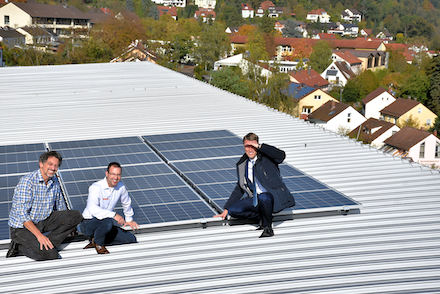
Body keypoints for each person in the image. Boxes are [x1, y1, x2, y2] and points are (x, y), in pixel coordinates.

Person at [214, 133, 295, 238]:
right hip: (255, 200)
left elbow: (281, 156)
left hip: (272, 197)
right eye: (247, 146)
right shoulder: (243, 163)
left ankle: (267, 227)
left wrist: (261, 147)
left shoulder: (267, 158)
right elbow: (240, 187)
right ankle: (261, 216)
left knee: (264, 197)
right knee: (234, 210)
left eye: (253, 146)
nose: (250, 149)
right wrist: (226, 208)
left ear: (257, 145)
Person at [7, 151, 83, 261]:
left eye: (56, 165)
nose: (53, 168)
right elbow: (22, 215)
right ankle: (19, 247)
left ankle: (46, 244)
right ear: (41, 164)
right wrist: (40, 236)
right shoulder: (27, 182)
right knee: (50, 255)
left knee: (76, 215)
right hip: (22, 228)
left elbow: (60, 205)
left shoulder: (54, 180)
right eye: (50, 164)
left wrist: (70, 226)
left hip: (43, 221)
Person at [80, 162, 138, 254]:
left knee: (130, 239)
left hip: (104, 225)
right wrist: (114, 215)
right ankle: (99, 244)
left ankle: (95, 240)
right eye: (113, 174)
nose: (116, 178)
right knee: (108, 221)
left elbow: (126, 202)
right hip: (88, 223)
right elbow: (92, 208)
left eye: (118, 175)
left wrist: (129, 219)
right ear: (107, 174)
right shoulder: (96, 187)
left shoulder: (121, 187)